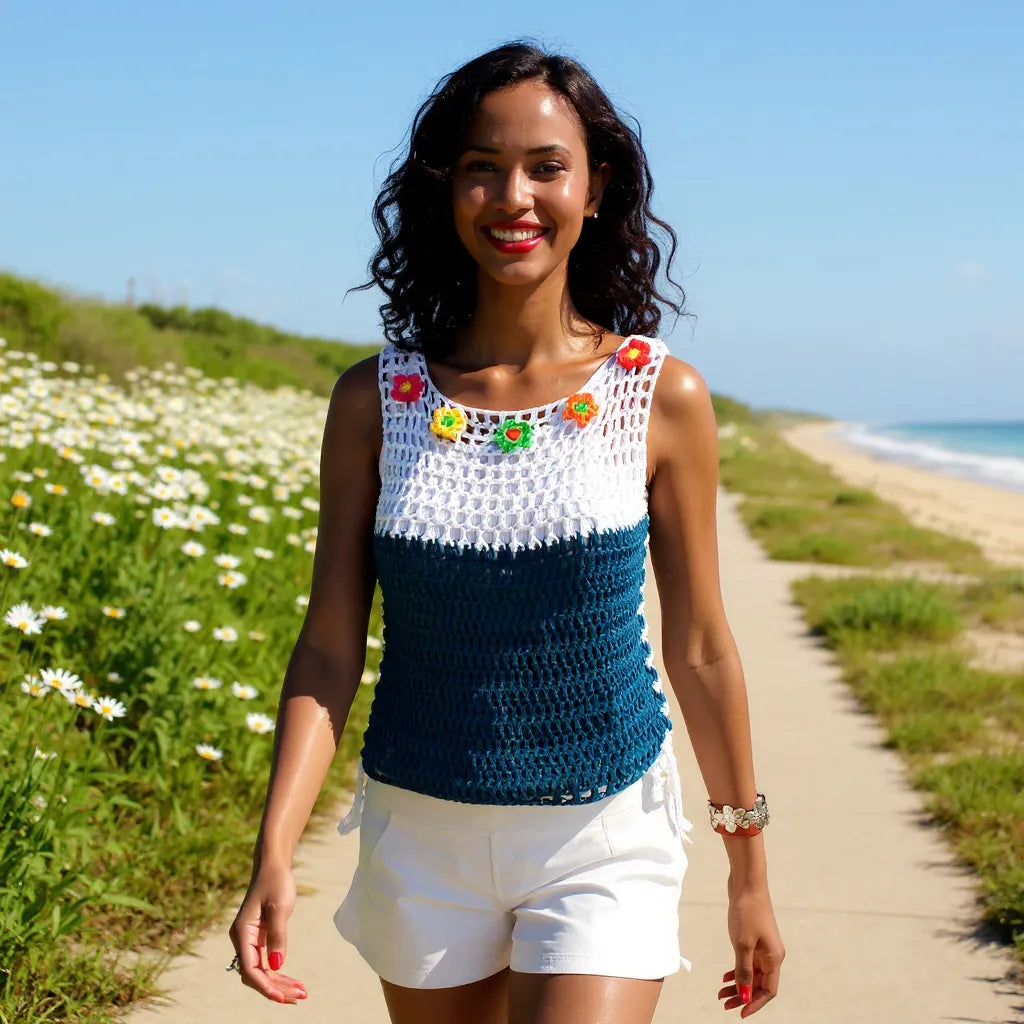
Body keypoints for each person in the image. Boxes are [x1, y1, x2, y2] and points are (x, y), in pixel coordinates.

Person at [228, 40, 785, 1023]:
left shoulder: (657, 396)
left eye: (545, 167)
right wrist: (275, 846)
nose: (512, 198)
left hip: (603, 833)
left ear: (597, 186)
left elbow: (699, 646)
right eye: (481, 169)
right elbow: (326, 645)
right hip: (422, 836)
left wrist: (748, 868)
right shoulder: (377, 401)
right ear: (446, 193)